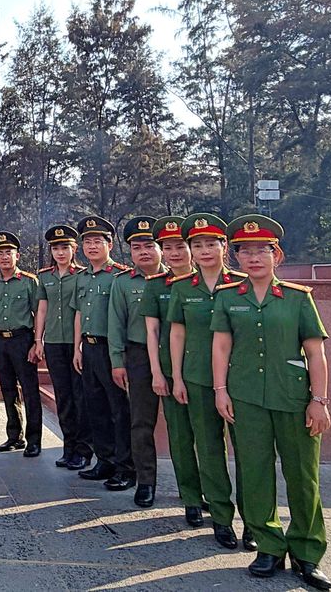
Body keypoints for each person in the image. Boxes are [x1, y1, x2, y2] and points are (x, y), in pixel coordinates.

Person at [212, 215, 331, 589]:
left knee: (303, 477)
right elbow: (221, 345)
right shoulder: (230, 298)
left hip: (294, 399)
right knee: (256, 473)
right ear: (236, 259)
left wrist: (319, 400)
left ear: (276, 254)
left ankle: (307, 554)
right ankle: (268, 545)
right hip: (246, 397)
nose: (253, 258)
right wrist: (220, 391)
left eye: (261, 251)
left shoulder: (298, 298)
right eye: (245, 252)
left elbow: (315, 352)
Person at [168, 213, 253, 549]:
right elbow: (176, 333)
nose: (204, 251)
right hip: (198, 377)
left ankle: (254, 519)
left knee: (248, 453)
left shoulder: (244, 282)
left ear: (224, 247)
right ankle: (221, 517)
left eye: (211, 244)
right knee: (209, 448)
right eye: (197, 245)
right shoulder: (182, 288)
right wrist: (177, 376)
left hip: (242, 380)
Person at [140, 216, 205, 525]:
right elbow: (152, 333)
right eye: (168, 247)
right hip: (170, 369)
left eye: (180, 246)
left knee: (209, 438)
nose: (175, 253)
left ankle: (213, 494)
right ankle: (190, 497)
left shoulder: (216, 282)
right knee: (180, 436)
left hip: (209, 371)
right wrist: (156, 372)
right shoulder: (156, 286)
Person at [106, 216, 166, 502]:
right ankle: (146, 481)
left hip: (178, 357)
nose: (143, 251)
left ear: (161, 248)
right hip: (139, 356)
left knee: (188, 426)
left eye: (149, 245)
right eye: (136, 247)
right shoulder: (123, 283)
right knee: (140, 421)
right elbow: (115, 324)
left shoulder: (179, 278)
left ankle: (196, 487)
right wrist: (117, 361)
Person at [71, 215, 132, 483]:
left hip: (112, 349)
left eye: (98, 241)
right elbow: (77, 313)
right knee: (95, 407)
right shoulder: (82, 278)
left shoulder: (120, 275)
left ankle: (125, 467)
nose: (92, 246)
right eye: (87, 242)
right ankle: (104, 461)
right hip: (89, 348)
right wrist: (77, 348)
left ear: (110, 244)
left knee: (118, 409)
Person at [35, 225, 92, 470]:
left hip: (75, 343)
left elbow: (81, 310)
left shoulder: (81, 275)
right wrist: (39, 340)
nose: (60, 252)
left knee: (80, 397)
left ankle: (84, 449)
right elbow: (42, 309)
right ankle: (69, 447)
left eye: (65, 247)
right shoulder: (45, 277)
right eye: (56, 248)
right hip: (54, 343)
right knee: (64, 397)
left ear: (74, 249)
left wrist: (79, 345)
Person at [0, 231, 42, 456]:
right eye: (0, 253)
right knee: (8, 389)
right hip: (1, 341)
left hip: (23, 339)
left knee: (29, 390)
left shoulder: (29, 282)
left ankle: (34, 439)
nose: (5, 257)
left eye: (9, 252)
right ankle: (14, 436)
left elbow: (38, 312)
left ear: (17, 255)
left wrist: (37, 342)